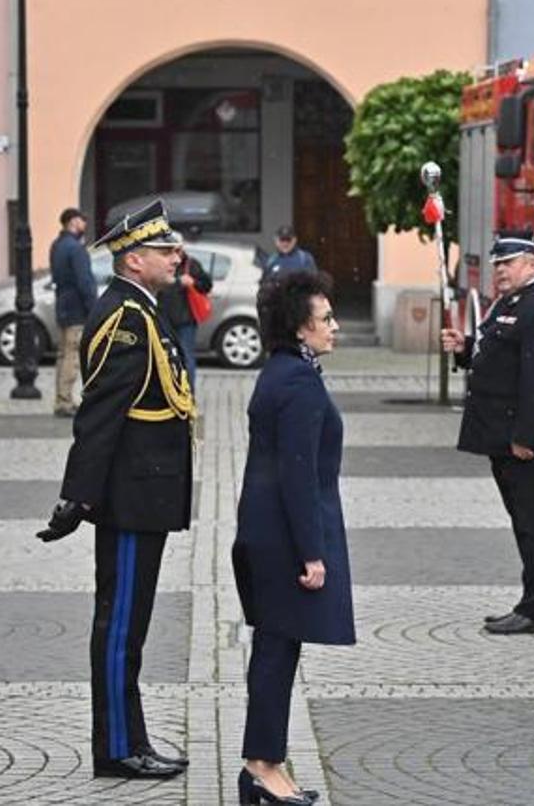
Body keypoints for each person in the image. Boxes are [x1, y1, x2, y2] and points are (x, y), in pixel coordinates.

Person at [37, 199, 197, 779]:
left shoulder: (144, 309)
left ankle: (132, 738)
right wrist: (78, 497)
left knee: (131, 628)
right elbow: (100, 415)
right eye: (163, 250)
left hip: (145, 494)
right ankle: (117, 747)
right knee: (120, 627)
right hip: (130, 497)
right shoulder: (125, 318)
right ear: (132, 260)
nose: (175, 257)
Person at [232, 268, 346, 806]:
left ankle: (268, 764)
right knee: (276, 654)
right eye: (326, 318)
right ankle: (260, 767)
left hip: (265, 531)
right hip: (282, 538)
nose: (335, 327)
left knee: (276, 651)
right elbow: (297, 474)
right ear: (301, 327)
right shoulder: (298, 381)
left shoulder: (282, 370)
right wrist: (312, 553)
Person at [440, 232, 534, 635]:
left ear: (530, 264)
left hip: (526, 443)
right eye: (497, 264)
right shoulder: (510, 305)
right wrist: (465, 347)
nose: (499, 271)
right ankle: (531, 603)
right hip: (503, 436)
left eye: (507, 263)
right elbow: (497, 354)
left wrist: (525, 437)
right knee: (524, 524)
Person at [51, 208, 97, 417]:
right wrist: (93, 308)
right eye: (82, 220)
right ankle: (65, 401)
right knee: (72, 355)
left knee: (62, 355)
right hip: (77, 308)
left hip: (62, 305)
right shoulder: (76, 249)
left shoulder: (57, 245)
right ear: (72, 222)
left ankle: (61, 398)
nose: (84, 224)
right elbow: (85, 281)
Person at [157, 249, 213, 384]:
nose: (176, 254)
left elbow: (206, 286)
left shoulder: (191, 264)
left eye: (178, 249)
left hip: (186, 321)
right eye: (171, 249)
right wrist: (178, 282)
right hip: (163, 319)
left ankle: (188, 392)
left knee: (186, 357)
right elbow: (158, 287)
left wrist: (193, 282)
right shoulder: (160, 264)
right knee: (163, 357)